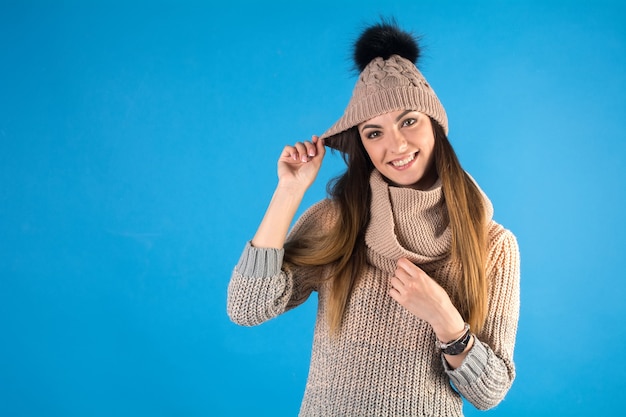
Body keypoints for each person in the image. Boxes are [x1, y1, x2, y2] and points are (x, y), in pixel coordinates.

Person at [227, 19, 520, 417]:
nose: (395, 145)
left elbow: (491, 391)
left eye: (409, 121)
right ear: (362, 144)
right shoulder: (339, 221)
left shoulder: (493, 245)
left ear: (435, 124)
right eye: (374, 132)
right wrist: (289, 192)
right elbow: (247, 307)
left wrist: (445, 319)